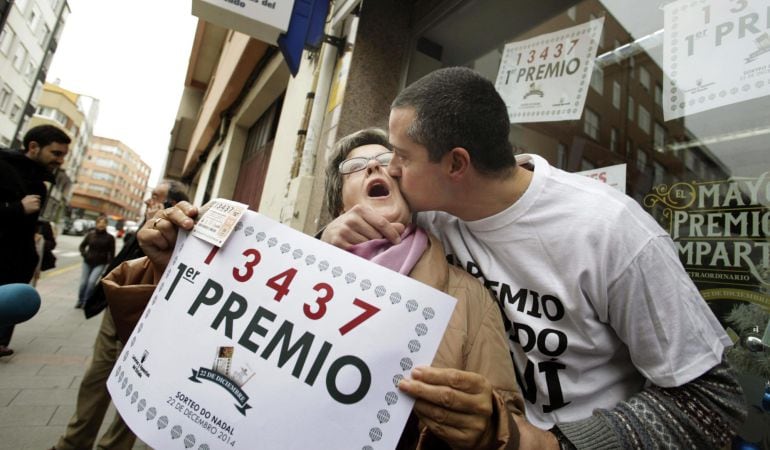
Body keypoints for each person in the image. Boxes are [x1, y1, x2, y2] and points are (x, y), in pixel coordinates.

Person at [320, 67, 746, 449]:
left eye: (402, 156)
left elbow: (712, 405)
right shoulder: (432, 213)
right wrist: (328, 238)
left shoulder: (609, 229)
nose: (390, 169)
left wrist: (546, 444)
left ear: (456, 164)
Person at [102, 128, 524, 449]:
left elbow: (508, 420)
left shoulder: (467, 298)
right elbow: (199, 352)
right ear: (339, 198)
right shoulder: (276, 260)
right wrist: (169, 266)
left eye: (386, 161)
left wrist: (487, 425)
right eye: (356, 166)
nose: (375, 168)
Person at [51, 180, 189, 450]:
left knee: (136, 385)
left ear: (172, 203)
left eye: (156, 198)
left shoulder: (179, 230)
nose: (149, 202)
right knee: (96, 377)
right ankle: (73, 443)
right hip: (117, 308)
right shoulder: (145, 225)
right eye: (150, 197)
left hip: (149, 316)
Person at [0, 124, 70, 357]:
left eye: (63, 155)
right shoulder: (3, 167)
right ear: (33, 147)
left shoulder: (40, 184)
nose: (60, 161)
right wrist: (17, 208)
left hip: (17, 264)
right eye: (56, 153)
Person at [76, 215, 115, 309]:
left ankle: (86, 302)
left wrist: (109, 265)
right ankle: (80, 300)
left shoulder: (110, 238)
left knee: (91, 282)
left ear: (106, 225)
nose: (101, 225)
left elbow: (112, 252)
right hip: (87, 262)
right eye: (99, 223)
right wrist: (84, 254)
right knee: (83, 283)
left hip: (100, 263)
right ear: (96, 224)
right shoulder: (90, 235)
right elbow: (82, 246)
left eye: (104, 223)